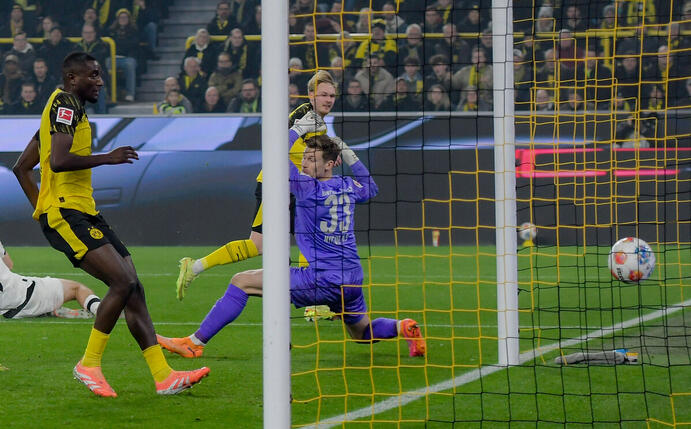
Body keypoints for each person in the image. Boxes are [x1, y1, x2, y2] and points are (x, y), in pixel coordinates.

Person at [12, 52, 209, 398]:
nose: (100, 81)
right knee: (122, 281)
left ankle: (163, 377)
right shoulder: (65, 105)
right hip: (68, 214)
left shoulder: (62, 108)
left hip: (84, 212)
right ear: (72, 78)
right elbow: (58, 161)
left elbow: (22, 167)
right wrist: (108, 158)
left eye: (99, 74)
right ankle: (89, 364)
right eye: (93, 75)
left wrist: (41, 208)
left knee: (134, 288)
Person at [157, 117, 426, 358]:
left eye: (312, 159)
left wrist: (296, 130)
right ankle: (403, 327)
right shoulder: (348, 186)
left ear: (329, 164)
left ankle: (194, 343)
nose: (305, 163)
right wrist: (348, 152)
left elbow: (277, 158)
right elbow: (371, 188)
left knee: (241, 281)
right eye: (304, 157)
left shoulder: (308, 188)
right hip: (352, 278)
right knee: (361, 333)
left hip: (323, 279)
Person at [175, 71, 336, 300]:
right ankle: (194, 267)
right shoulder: (304, 116)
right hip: (277, 186)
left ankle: (313, 301)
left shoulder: (319, 123)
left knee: (304, 236)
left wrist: (330, 155)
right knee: (264, 244)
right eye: (323, 95)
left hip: (293, 188)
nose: (328, 100)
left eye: (332, 95)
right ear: (311, 95)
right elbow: (280, 144)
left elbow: (308, 152)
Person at [0, 239, 101, 319]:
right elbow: (9, 264)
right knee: (76, 289)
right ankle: (100, 311)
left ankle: (45, 311)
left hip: (6, 310)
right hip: (24, 295)